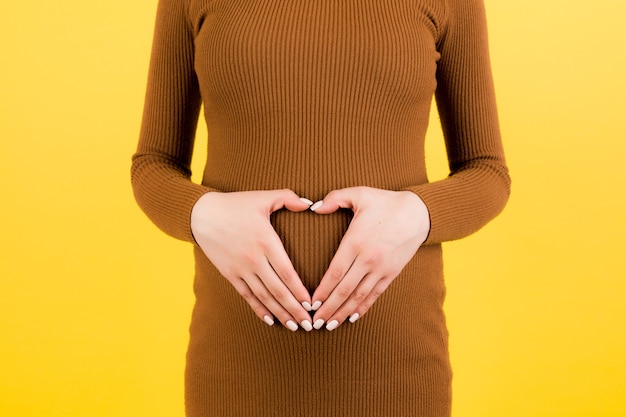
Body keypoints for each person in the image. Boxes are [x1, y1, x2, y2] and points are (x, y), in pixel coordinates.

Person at [131, 0, 510, 415]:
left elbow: (487, 171)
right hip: (236, 366)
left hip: (396, 369)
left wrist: (416, 213)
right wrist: (205, 213)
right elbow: (153, 165)